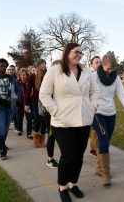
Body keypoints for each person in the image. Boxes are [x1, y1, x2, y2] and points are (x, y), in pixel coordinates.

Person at [39, 43, 99, 202]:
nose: (79, 55)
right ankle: (62, 186)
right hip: (62, 122)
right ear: (66, 52)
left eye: (81, 52)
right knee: (69, 155)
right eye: (76, 52)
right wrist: (55, 111)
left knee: (79, 156)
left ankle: (73, 183)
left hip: (84, 120)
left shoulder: (86, 70)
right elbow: (44, 94)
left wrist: (92, 107)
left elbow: (95, 92)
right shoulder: (54, 71)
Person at [92, 52, 124, 186]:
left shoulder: (116, 79)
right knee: (104, 141)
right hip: (97, 113)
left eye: (112, 69)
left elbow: (122, 95)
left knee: (105, 141)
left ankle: (99, 168)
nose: (109, 71)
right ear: (102, 65)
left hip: (111, 113)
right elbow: (85, 93)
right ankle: (106, 174)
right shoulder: (93, 77)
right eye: (107, 68)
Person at [24, 59, 47, 148]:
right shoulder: (32, 76)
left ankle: (42, 140)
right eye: (42, 64)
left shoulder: (48, 75)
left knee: (45, 120)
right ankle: (36, 140)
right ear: (38, 66)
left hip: (46, 101)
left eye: (44, 63)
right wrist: (26, 104)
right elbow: (28, 91)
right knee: (38, 119)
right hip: (35, 101)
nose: (44, 65)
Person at [43, 59, 61, 168]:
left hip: (63, 113)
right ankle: (50, 159)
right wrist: (53, 110)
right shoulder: (49, 80)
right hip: (51, 113)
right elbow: (45, 96)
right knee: (52, 136)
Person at [88, 56, 101, 158]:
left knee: (97, 129)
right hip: (90, 106)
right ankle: (95, 149)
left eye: (100, 62)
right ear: (91, 64)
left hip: (100, 105)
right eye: (96, 62)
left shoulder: (101, 74)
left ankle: (93, 149)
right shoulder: (90, 75)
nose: (99, 64)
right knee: (97, 129)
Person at [16, 68, 33, 139]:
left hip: (28, 102)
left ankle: (29, 134)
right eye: (21, 75)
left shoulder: (30, 82)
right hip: (19, 102)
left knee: (29, 118)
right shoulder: (17, 82)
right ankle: (19, 130)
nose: (22, 77)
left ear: (27, 75)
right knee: (19, 117)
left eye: (24, 75)